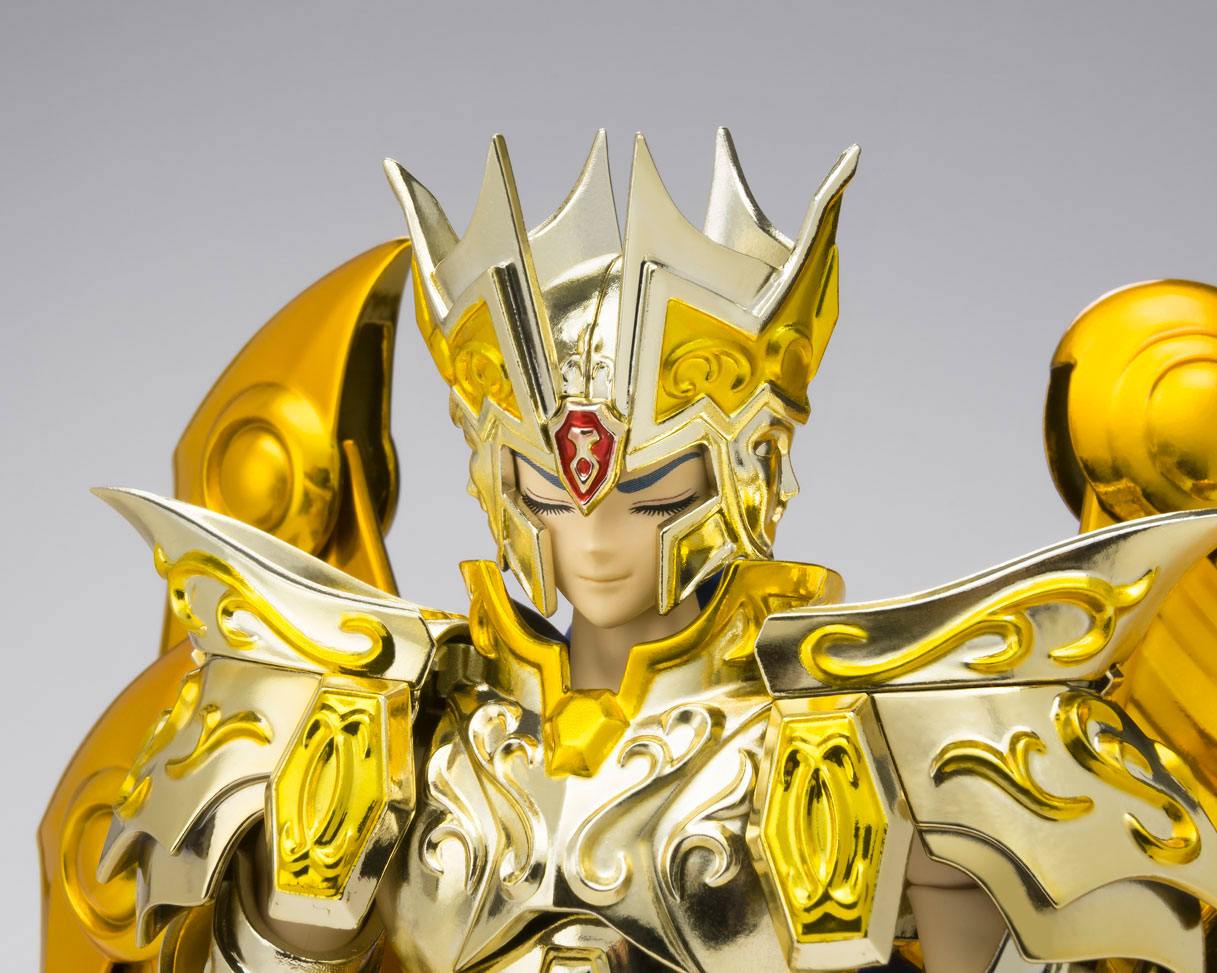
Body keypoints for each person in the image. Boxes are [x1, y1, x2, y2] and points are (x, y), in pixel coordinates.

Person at [41, 131, 1217, 973]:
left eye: (651, 489)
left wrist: (964, 914)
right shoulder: (400, 724)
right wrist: (282, 926)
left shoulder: (877, 731)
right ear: (500, 484)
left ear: (743, 474)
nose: (594, 537)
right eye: (550, 491)